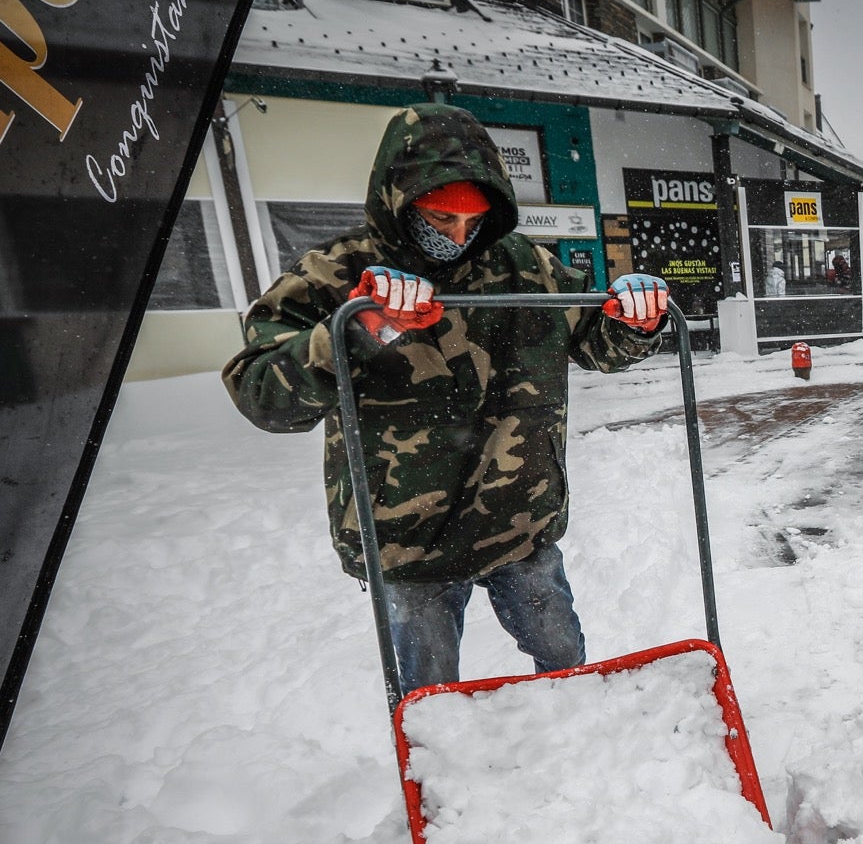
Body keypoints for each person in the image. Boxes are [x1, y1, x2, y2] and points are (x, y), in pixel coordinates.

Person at [222, 103, 669, 696]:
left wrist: (635, 321)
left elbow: (596, 344)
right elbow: (263, 396)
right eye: (440, 219)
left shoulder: (525, 268)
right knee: (430, 696)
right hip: (408, 537)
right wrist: (362, 326)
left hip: (517, 518)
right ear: (400, 199)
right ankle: (438, 773)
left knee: (564, 660)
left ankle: (575, 744)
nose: (458, 237)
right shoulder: (337, 274)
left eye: (474, 221)